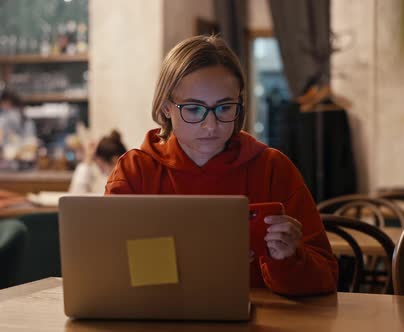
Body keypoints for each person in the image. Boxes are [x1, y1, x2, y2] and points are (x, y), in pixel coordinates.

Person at [105, 35, 337, 296]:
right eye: (194, 109)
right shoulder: (136, 171)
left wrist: (289, 258)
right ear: (166, 107)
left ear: (240, 103)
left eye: (225, 107)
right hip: (159, 318)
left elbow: (326, 277)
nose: (211, 126)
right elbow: (109, 270)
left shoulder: (273, 168)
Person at [69, 130, 127, 194]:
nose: (101, 171)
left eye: (101, 165)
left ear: (114, 160)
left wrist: (87, 160)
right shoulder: (126, 178)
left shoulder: (118, 185)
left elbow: (76, 196)